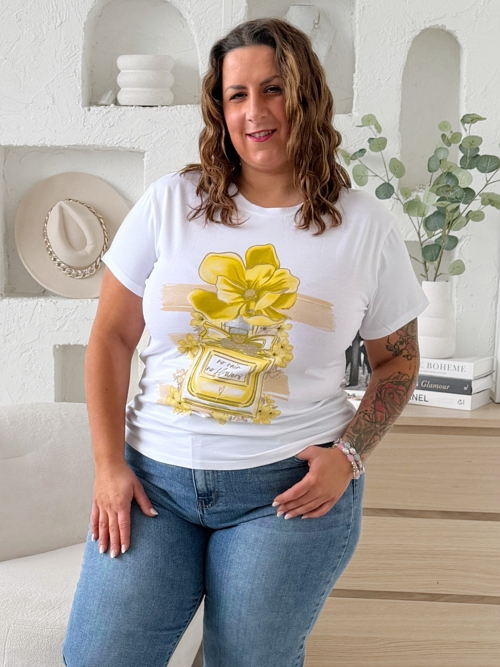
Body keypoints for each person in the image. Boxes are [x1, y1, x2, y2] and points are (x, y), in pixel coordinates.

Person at [62, 17, 429, 667]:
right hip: (153, 485)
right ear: (220, 109)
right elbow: (111, 337)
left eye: (273, 89)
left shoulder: (363, 226)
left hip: (285, 493)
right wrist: (108, 465)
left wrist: (349, 455)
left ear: (306, 95)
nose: (255, 111)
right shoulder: (170, 203)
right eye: (237, 95)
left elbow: (397, 361)